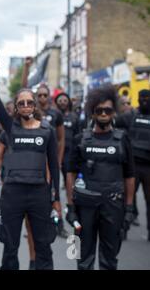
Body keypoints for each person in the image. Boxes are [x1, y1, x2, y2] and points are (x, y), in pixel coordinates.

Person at [0, 51, 60, 270]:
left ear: (35, 106)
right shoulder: (10, 128)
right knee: (10, 246)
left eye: (30, 102)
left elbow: (55, 167)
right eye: (22, 103)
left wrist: (55, 198)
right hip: (12, 194)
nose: (27, 105)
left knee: (43, 245)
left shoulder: (47, 131)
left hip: (39, 193)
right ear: (17, 107)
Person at [65, 85, 135, 270]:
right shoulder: (80, 139)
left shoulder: (123, 139)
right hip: (84, 207)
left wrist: (129, 208)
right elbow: (69, 172)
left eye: (108, 110)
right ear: (92, 112)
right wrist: (70, 207)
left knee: (109, 259)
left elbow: (130, 176)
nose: (104, 114)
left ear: (114, 112)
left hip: (113, 207)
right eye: (99, 110)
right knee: (81, 257)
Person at [21, 58, 67, 238]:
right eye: (38, 95)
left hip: (52, 161)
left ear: (49, 97)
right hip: (36, 162)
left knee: (54, 193)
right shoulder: (30, 113)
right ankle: (31, 227)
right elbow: (23, 87)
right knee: (33, 194)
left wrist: (59, 160)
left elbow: (62, 140)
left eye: (44, 95)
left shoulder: (56, 114)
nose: (41, 98)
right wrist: (26, 67)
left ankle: (59, 224)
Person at [116, 89, 150, 241]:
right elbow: (113, 123)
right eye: (142, 97)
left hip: (148, 167)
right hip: (133, 164)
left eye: (147, 98)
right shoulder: (130, 116)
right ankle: (123, 228)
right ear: (138, 98)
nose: (145, 100)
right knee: (127, 198)